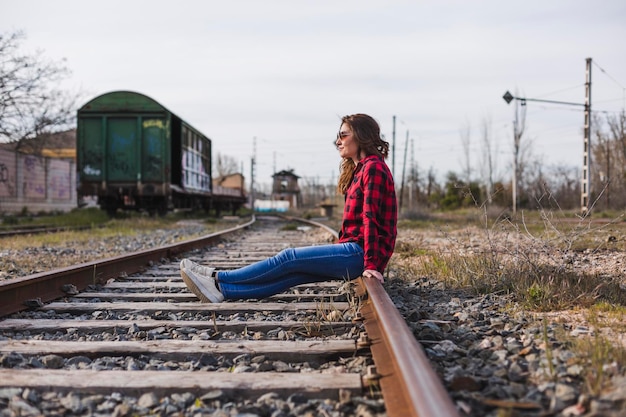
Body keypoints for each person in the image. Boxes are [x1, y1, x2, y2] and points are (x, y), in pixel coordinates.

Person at [180, 113, 397, 303]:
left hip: (359, 254)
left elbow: (371, 218)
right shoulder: (361, 169)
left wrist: (371, 265)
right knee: (296, 274)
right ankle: (222, 292)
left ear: (361, 135)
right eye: (338, 136)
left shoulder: (373, 168)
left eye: (343, 135)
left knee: (288, 257)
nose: (338, 141)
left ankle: (216, 277)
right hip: (354, 250)